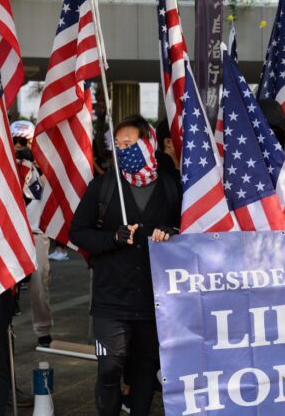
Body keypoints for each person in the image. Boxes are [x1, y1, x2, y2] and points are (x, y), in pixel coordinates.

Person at [69, 114, 182, 416]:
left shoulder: (171, 188)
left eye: (129, 144)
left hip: (152, 301)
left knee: (145, 370)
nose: (123, 150)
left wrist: (173, 233)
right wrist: (112, 238)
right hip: (111, 300)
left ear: (148, 143)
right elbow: (77, 232)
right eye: (118, 145)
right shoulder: (103, 187)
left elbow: (188, 229)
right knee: (109, 367)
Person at [11, 120, 53, 347]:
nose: (19, 146)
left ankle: (43, 330)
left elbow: (47, 189)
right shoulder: (7, 168)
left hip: (35, 233)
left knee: (39, 284)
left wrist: (35, 164)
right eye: (15, 141)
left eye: (23, 142)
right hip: (10, 233)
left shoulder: (39, 168)